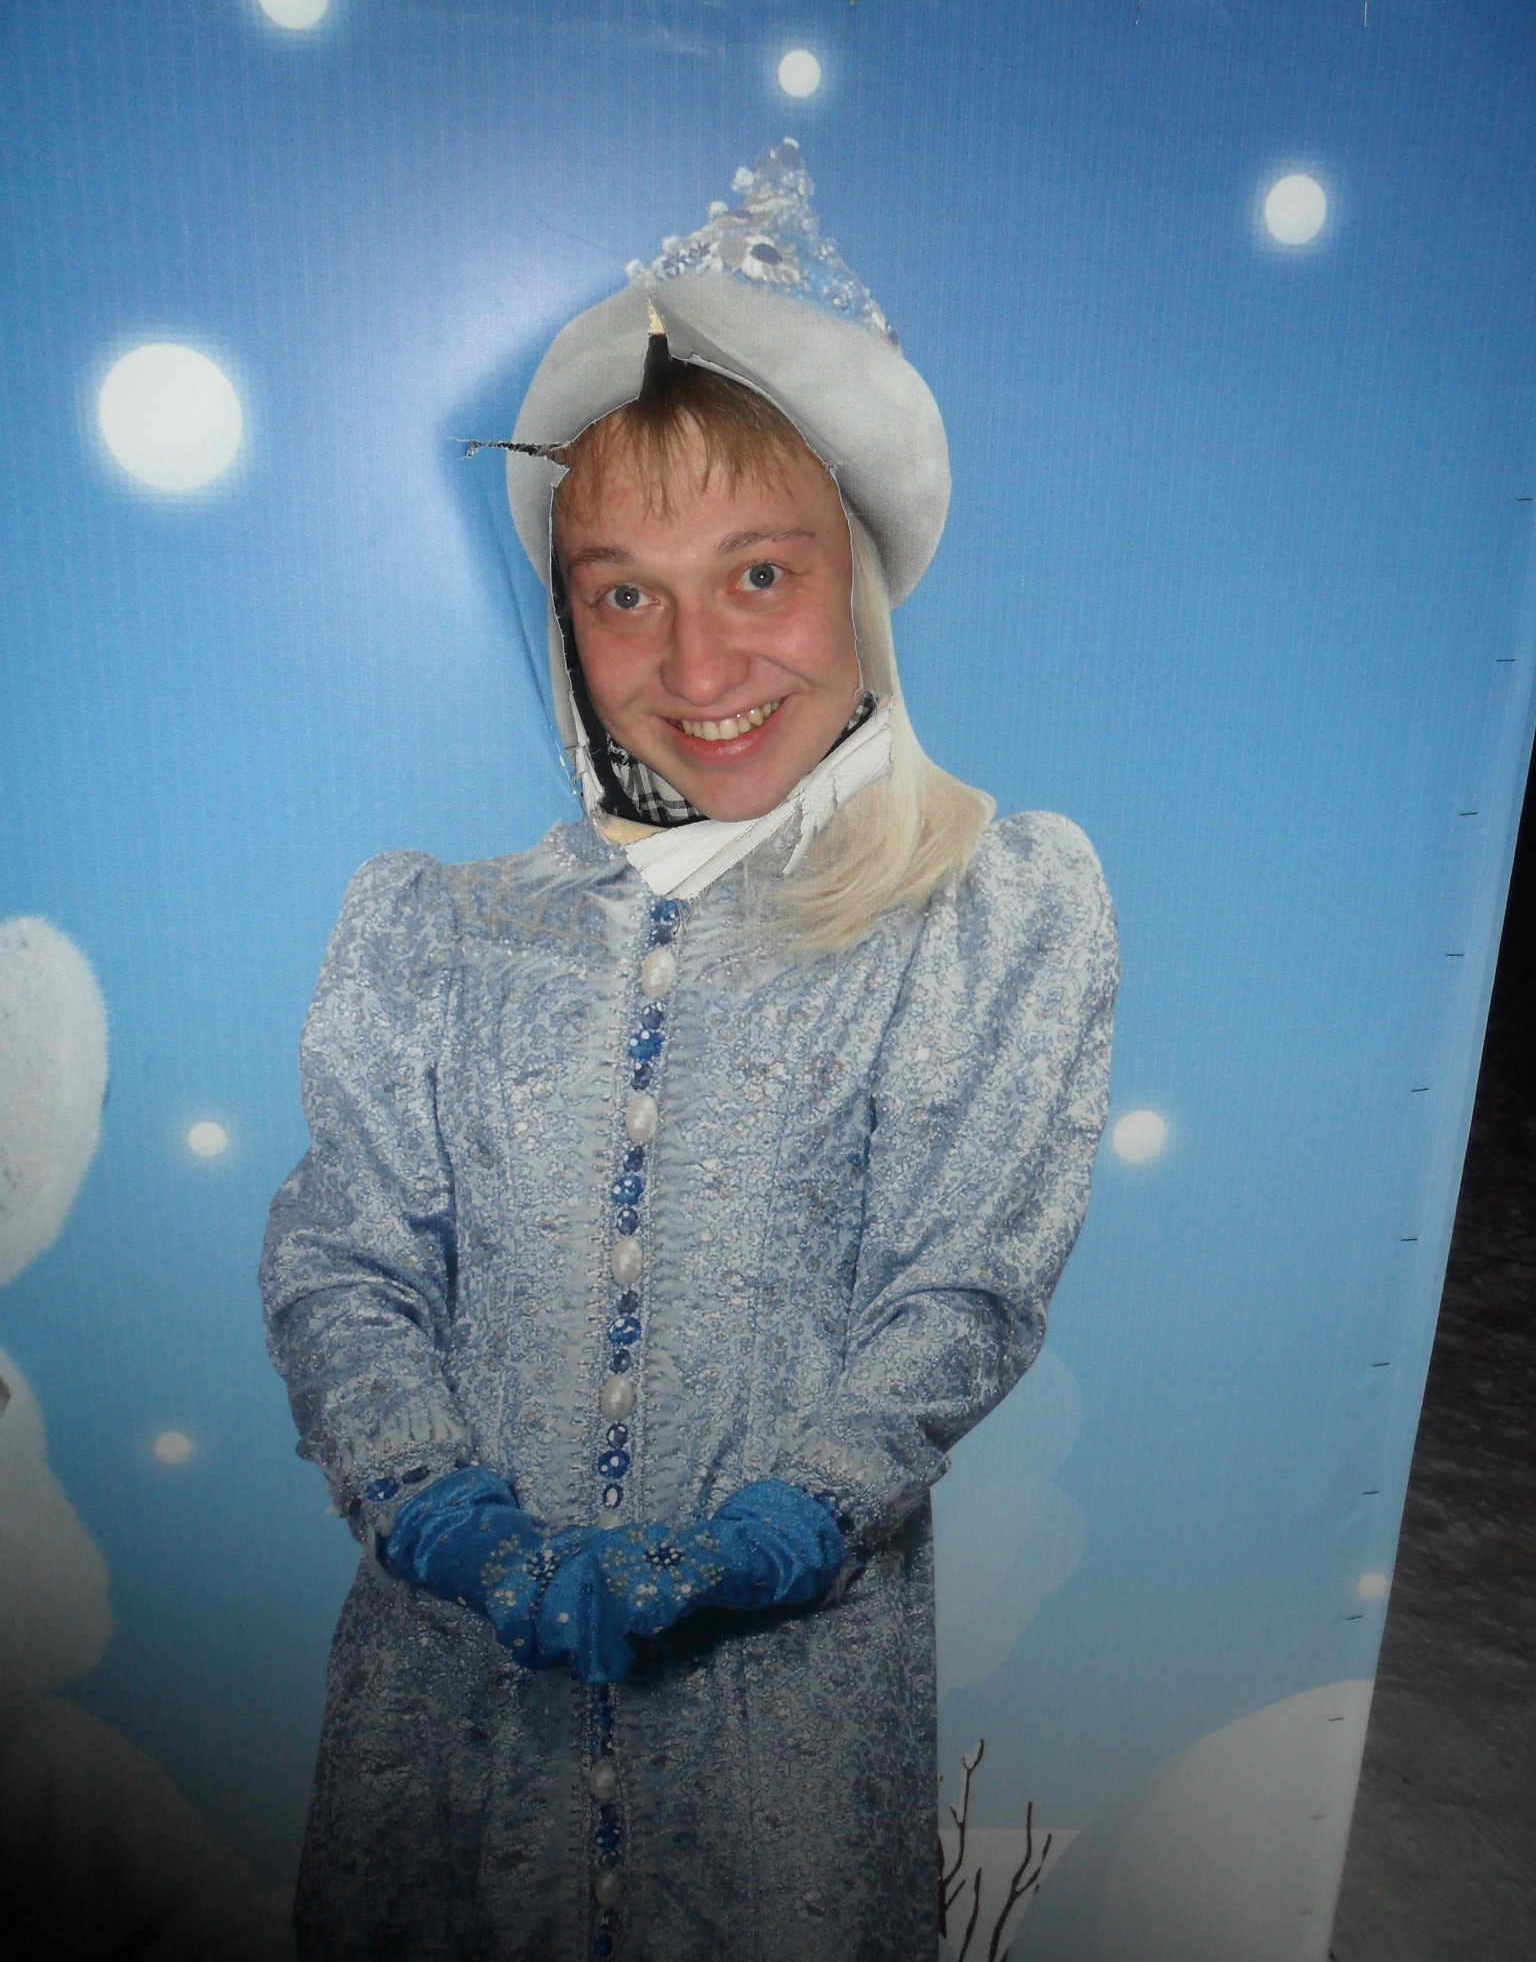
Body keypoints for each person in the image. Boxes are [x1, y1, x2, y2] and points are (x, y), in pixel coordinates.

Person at [259, 140, 1118, 1962]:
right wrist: (438, 1509)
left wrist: (783, 1528)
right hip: (447, 1728)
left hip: (779, 1744)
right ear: (563, 621)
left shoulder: (986, 911)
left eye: (759, 572)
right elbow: (346, 1258)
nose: (699, 663)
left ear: (855, 578)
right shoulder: (442, 933)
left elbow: (964, 1283)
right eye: (624, 591)